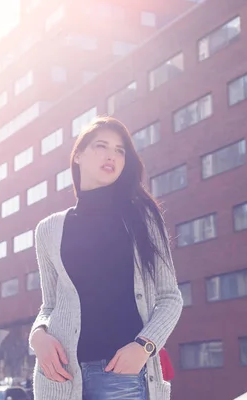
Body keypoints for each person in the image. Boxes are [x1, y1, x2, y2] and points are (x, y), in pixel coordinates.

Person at [28, 116, 183, 400]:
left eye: (120, 150)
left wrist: (144, 346)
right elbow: (49, 305)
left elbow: (170, 298)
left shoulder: (143, 219)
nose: (112, 155)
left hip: (122, 377)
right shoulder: (48, 229)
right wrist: (37, 336)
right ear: (78, 157)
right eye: (101, 146)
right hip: (60, 380)